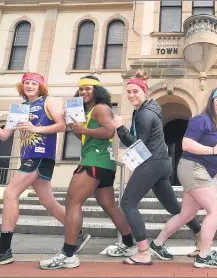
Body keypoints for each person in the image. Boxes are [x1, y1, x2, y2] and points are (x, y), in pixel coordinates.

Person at [0, 73, 90, 267]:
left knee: (10, 193)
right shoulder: (19, 108)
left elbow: (61, 126)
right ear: (22, 86)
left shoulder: (48, 101)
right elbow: (3, 135)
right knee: (47, 201)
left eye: (34, 83)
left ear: (41, 86)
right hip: (28, 157)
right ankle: (78, 233)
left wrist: (36, 129)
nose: (30, 85)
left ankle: (3, 250)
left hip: (40, 155)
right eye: (26, 83)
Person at [40, 76, 136, 270]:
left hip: (95, 160)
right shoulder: (88, 111)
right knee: (109, 205)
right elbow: (84, 135)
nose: (83, 92)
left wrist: (82, 128)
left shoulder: (101, 108)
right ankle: (129, 244)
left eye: (88, 89)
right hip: (103, 163)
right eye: (81, 89)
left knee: (72, 202)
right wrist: (74, 128)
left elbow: (109, 131)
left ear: (97, 91)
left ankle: (68, 254)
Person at [112, 70, 202, 265]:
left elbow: (138, 144)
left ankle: (143, 252)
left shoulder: (144, 114)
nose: (131, 95)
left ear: (145, 92)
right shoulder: (149, 109)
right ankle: (201, 235)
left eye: (135, 91)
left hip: (151, 162)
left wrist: (119, 128)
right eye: (128, 92)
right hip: (161, 163)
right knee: (173, 206)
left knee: (128, 203)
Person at [149, 87, 217, 268]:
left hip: (203, 172)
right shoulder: (201, 120)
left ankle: (157, 243)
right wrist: (212, 150)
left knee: (187, 214)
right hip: (193, 168)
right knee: (215, 209)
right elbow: (186, 144)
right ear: (212, 102)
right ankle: (204, 256)